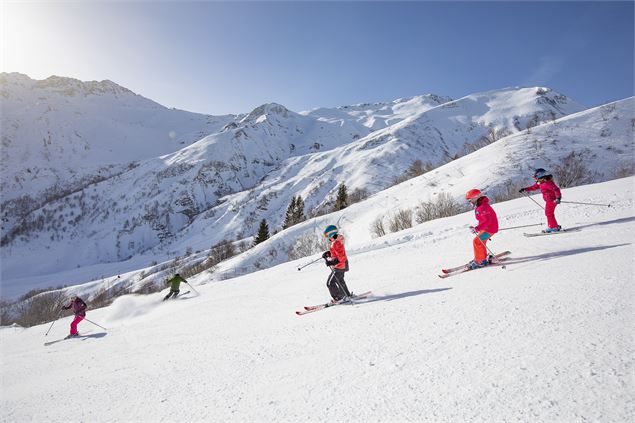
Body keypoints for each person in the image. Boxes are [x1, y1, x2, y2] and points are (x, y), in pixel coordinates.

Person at [519, 168, 562, 233]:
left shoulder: (548, 183)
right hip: (549, 200)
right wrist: (525, 189)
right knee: (549, 213)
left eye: (535, 178)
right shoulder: (541, 183)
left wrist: (558, 198)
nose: (535, 179)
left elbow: (556, 190)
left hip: (552, 200)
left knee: (548, 213)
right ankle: (554, 225)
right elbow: (533, 187)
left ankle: (553, 227)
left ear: (540, 176)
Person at [465, 189, 499, 269]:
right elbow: (483, 220)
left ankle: (480, 261)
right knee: (480, 241)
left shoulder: (483, 207)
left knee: (477, 241)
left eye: (470, 199)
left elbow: (487, 221)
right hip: (486, 228)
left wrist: (477, 229)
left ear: (476, 197)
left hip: (489, 229)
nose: (470, 201)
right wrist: (478, 228)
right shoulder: (480, 206)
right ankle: (480, 258)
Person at [321, 225, 352, 302]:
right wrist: (329, 254)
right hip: (342, 265)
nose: (327, 238)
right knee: (340, 281)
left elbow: (341, 257)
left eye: (327, 235)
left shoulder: (336, 243)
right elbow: (337, 253)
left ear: (331, 234)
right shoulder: (335, 242)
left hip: (340, 266)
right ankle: (346, 295)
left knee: (330, 283)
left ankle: (339, 298)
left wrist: (332, 262)